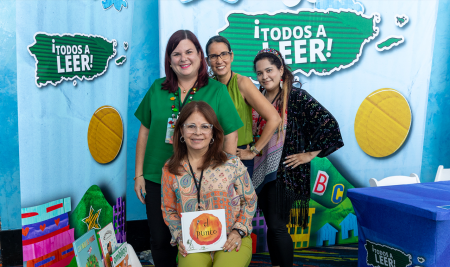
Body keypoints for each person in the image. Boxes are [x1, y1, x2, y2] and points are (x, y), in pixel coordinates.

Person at [134, 30, 243, 267]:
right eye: (176, 54)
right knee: (161, 239)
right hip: (157, 175)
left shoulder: (216, 90)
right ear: (169, 60)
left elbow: (231, 133)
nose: (183, 58)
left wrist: (227, 173)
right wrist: (139, 174)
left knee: (197, 239)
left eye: (189, 52)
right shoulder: (157, 88)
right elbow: (144, 132)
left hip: (202, 178)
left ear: (200, 56)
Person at [252, 48, 344, 267]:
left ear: (281, 69)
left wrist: (309, 154)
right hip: (260, 170)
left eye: (269, 70)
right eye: (259, 73)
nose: (265, 76)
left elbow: (329, 125)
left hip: (285, 173)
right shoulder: (256, 97)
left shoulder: (296, 97)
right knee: (271, 226)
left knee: (276, 225)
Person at [161, 101, 257, 267]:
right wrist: (179, 236)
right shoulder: (170, 169)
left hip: (231, 238)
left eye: (205, 126)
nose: (198, 132)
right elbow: (169, 210)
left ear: (213, 132)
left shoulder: (232, 164)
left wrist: (238, 231)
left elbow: (250, 201)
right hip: (193, 243)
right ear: (181, 131)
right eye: (191, 126)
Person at [205, 36, 281, 178]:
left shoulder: (242, 83)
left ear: (231, 56)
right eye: (214, 56)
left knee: (240, 201)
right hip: (211, 156)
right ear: (207, 61)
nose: (219, 60)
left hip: (238, 157)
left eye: (223, 54)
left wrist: (253, 151)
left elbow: (274, 118)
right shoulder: (208, 87)